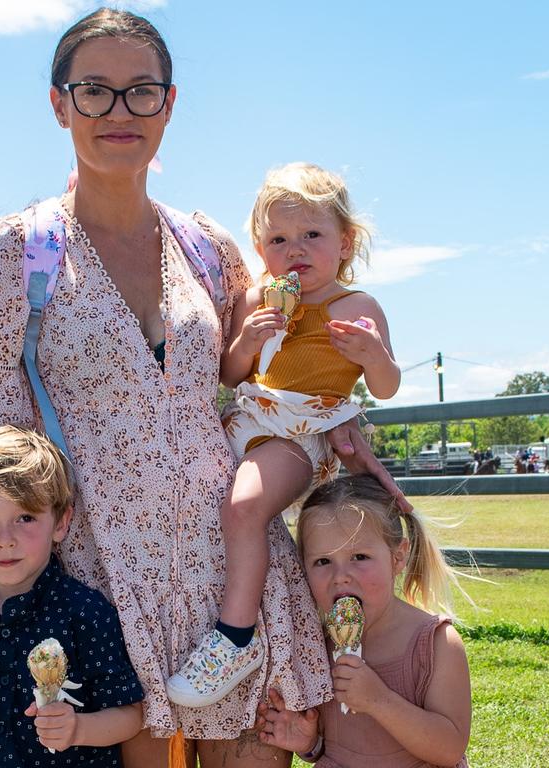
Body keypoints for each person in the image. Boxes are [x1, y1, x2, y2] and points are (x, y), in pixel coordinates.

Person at [0, 8, 408, 766]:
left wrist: (342, 415)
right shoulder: (15, 254)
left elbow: (277, 368)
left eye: (142, 91)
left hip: (231, 578)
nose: (119, 112)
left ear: (169, 104)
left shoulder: (209, 248)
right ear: (58, 104)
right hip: (102, 583)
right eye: (94, 91)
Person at [167, 163, 400, 707]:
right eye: (279, 239)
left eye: (312, 235)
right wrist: (246, 341)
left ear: (344, 242)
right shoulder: (257, 301)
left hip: (303, 434)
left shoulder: (358, 308)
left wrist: (374, 357)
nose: (296, 249)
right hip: (248, 420)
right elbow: (229, 375)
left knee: (245, 506)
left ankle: (235, 637)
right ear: (259, 247)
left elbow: (386, 387)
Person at [0, 426, 144, 765]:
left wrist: (78, 728)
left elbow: (129, 716)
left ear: (60, 523)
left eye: (25, 517)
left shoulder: (85, 611)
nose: (5, 539)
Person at [255, 475, 471, 767]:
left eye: (359, 556)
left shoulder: (437, 643)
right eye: (323, 562)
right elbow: (340, 748)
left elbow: (448, 749)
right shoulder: (316, 646)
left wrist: (378, 700)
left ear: (398, 557)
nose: (341, 575)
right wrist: (309, 744)